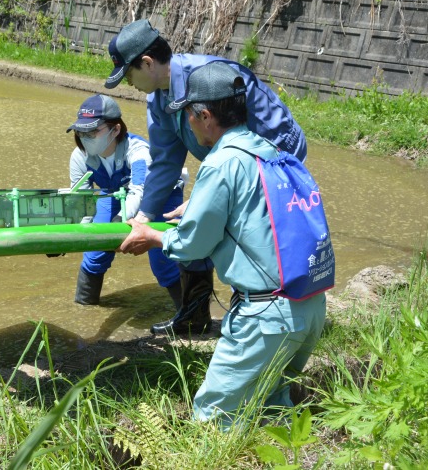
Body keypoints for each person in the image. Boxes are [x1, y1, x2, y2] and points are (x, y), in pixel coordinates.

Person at [118, 61, 327, 427]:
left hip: (266, 317)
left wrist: (153, 237)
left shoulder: (220, 163)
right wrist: (198, 205)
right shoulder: (270, 150)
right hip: (310, 305)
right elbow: (256, 209)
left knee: (212, 419)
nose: (187, 124)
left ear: (206, 116)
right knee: (273, 406)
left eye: (188, 115)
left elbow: (193, 245)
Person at [104, 19, 307, 336]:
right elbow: (165, 162)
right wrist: (142, 217)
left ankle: (256, 308)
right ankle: (194, 318)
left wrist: (215, 197)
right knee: (193, 220)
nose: (128, 82)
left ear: (146, 63)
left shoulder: (218, 79)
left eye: (128, 74)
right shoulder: (158, 100)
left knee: (246, 227)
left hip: (277, 154)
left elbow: (270, 140)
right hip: (227, 163)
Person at [66, 94, 182, 306]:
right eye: (80, 132)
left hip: (158, 197)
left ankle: (191, 315)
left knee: (163, 260)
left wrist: (116, 225)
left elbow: (140, 192)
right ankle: (84, 308)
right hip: (114, 194)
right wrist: (68, 238)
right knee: (94, 252)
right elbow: (82, 203)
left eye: (92, 131)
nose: (84, 137)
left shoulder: (138, 151)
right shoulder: (79, 157)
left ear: (115, 129)